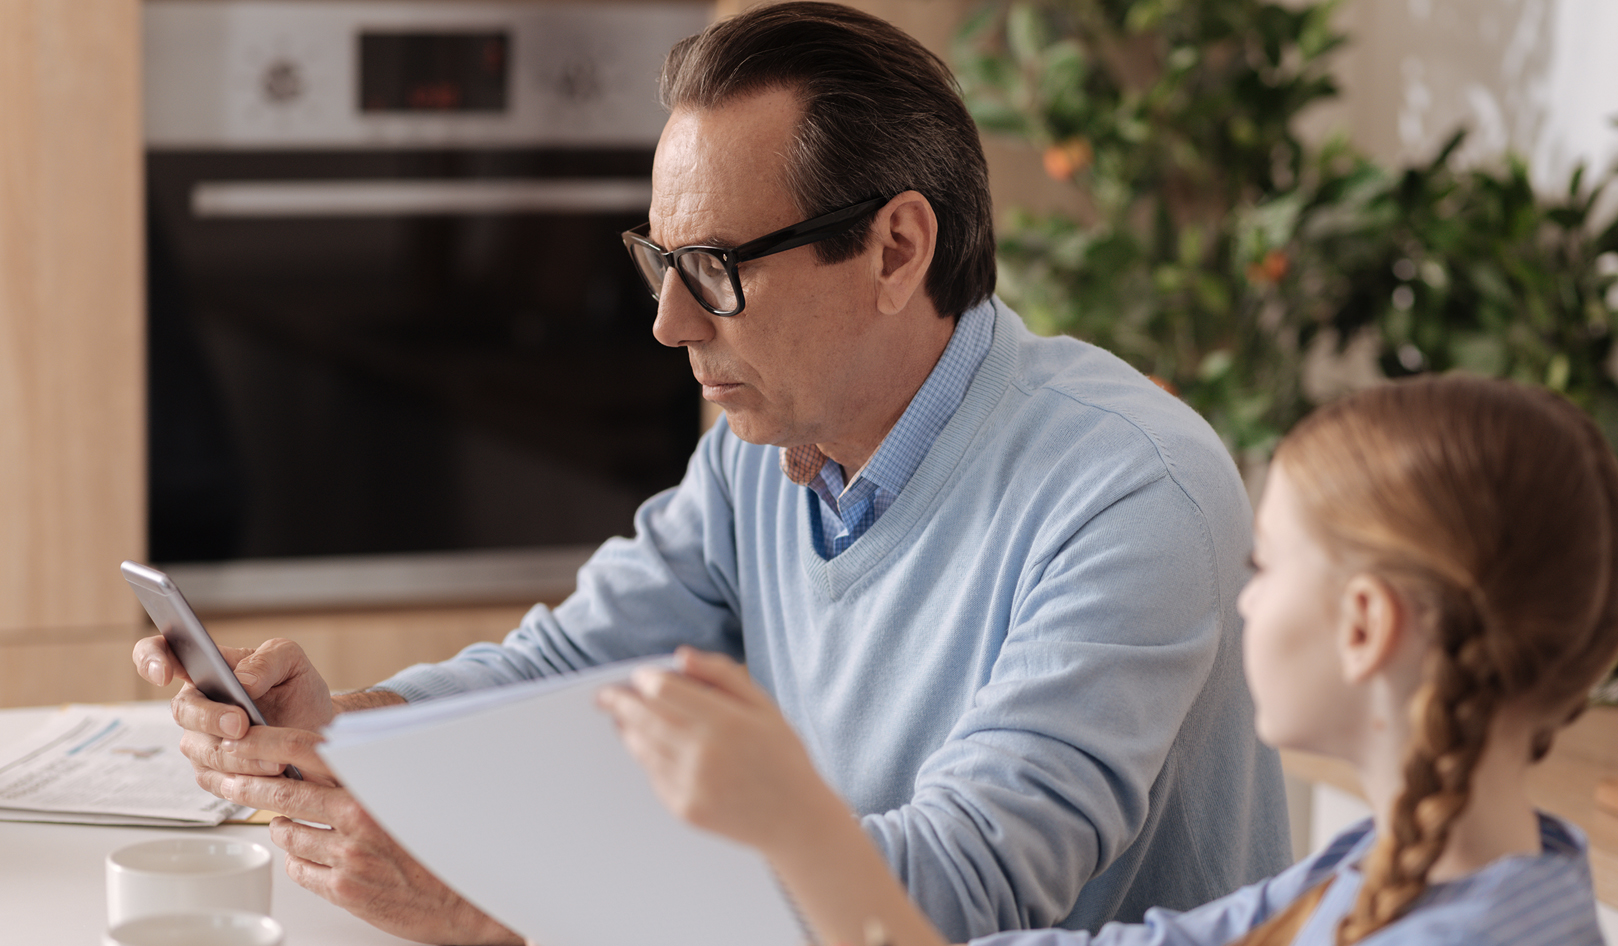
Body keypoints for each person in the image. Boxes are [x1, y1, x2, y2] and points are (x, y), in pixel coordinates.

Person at [133, 4, 1289, 943]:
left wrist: (504, 913)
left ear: (896, 249)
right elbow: (568, 667)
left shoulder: (1130, 492)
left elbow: (958, 892)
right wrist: (349, 731)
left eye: (718, 268)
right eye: (660, 262)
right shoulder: (765, 445)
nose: (670, 323)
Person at [601, 373, 1618, 946]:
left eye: (1265, 565)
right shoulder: (1384, 871)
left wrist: (793, 819)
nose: (1242, 595)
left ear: (1364, 626)